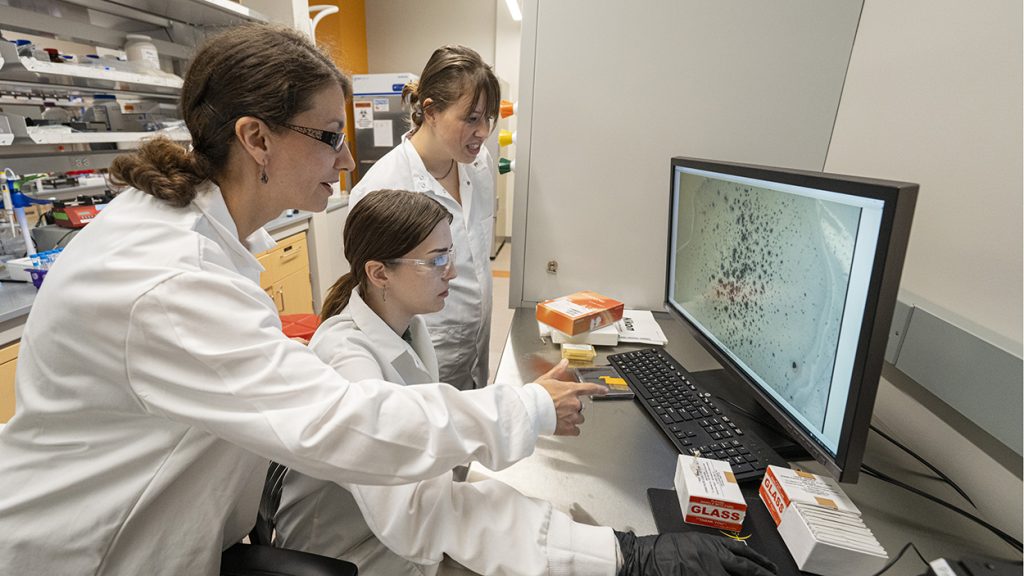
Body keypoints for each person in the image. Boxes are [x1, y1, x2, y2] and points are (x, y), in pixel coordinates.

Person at [0, 25, 605, 575]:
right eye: (328, 137)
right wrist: (527, 409)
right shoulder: (168, 278)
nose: (346, 160)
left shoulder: (200, 238)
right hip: (90, 551)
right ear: (256, 138)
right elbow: (336, 424)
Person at [272, 189, 778, 576]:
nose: (454, 271)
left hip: (394, 527)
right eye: (436, 260)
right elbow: (419, 510)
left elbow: (429, 422)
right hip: (357, 553)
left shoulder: (405, 325)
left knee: (548, 522)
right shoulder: (345, 356)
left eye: (452, 253)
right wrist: (623, 555)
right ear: (379, 273)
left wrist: (523, 409)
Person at [350, 44, 499, 391]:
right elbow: (373, 299)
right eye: (472, 118)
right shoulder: (384, 187)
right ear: (430, 111)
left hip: (477, 345)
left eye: (489, 117)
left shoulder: (478, 165)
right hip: (423, 355)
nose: (483, 132)